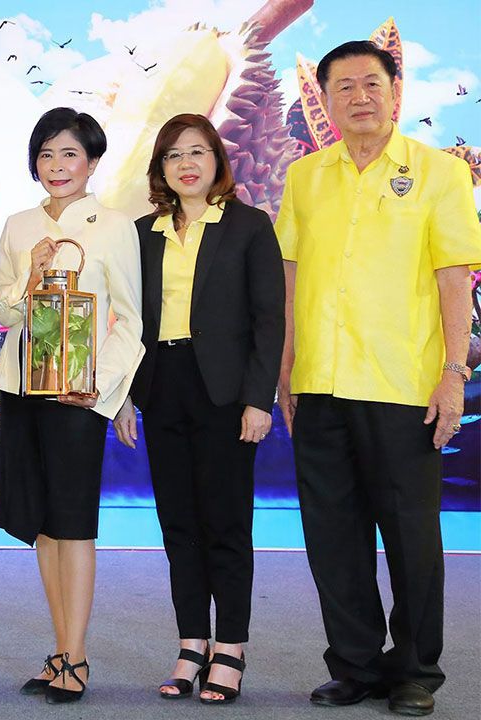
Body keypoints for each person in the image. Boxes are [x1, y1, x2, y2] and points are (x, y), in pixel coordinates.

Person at [275, 41, 481, 717]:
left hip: (404, 387)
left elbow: (455, 279)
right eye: (343, 87)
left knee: (412, 538)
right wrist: (284, 375)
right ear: (326, 101)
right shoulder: (305, 177)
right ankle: (355, 665)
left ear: (396, 92)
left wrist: (453, 374)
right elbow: (291, 278)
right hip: (320, 384)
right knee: (332, 537)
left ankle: (417, 669)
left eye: (371, 83)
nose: (358, 96)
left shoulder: (438, 174)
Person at [115, 113, 284, 705]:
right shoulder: (141, 231)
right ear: (160, 168)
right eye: (173, 155)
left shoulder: (249, 226)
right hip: (162, 387)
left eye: (197, 152)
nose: (186, 164)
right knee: (179, 526)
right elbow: (127, 322)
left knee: (227, 525)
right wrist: (127, 397)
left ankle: (230, 649)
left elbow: (269, 322)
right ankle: (192, 645)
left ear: (217, 160)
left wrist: (258, 400)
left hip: (226, 394)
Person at [0, 107, 143, 704]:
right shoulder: (19, 224)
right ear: (34, 162)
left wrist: (101, 386)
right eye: (47, 154)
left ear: (93, 162)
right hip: (22, 387)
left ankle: (76, 658)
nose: (57, 166)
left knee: (73, 526)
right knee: (43, 529)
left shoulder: (114, 226)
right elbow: (0, 314)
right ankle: (59, 650)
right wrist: (27, 280)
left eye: (70, 154)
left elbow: (130, 321)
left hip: (80, 395)